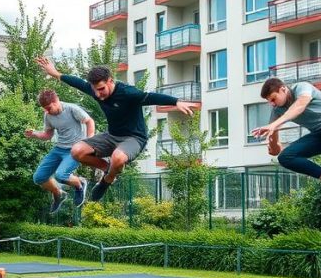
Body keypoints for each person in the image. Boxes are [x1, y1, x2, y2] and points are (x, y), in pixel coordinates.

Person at [36, 56, 199, 202]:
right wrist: (55, 73)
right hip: (112, 135)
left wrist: (176, 101)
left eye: (101, 89)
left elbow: (150, 97)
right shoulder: (94, 91)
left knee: (118, 158)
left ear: (110, 81)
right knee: (76, 151)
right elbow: (77, 82)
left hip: (134, 138)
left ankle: (107, 180)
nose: (99, 95)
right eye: (95, 90)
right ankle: (106, 168)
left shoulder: (128, 93)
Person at [251, 77, 321, 206]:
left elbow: (300, 105)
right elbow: (275, 150)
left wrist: (276, 124)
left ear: (283, 89)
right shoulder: (277, 111)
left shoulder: (301, 87)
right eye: (269, 102)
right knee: (285, 157)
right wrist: (272, 138)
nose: (272, 104)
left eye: (273, 99)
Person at [25, 89, 96, 213]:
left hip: (75, 150)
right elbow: (48, 135)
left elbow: (90, 121)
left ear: (56, 101)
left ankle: (80, 184)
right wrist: (34, 134)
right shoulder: (48, 115)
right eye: (45, 109)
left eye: (49, 107)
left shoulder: (72, 109)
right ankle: (58, 193)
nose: (47, 111)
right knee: (39, 178)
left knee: (60, 175)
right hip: (59, 149)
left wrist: (89, 141)